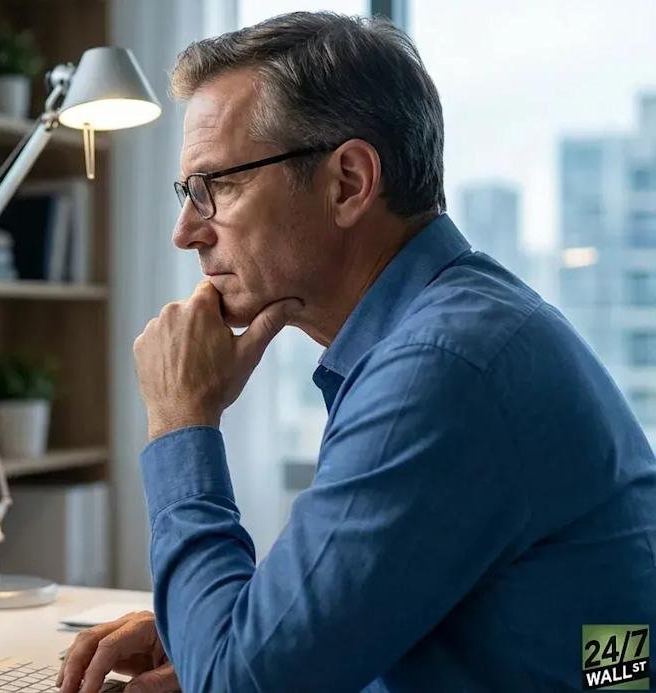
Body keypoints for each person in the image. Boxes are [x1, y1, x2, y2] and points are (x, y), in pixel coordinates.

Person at [57, 11, 656, 693]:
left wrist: (180, 421)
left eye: (213, 186)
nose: (186, 231)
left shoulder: (443, 367)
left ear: (347, 181)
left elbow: (236, 685)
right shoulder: (447, 331)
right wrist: (204, 631)